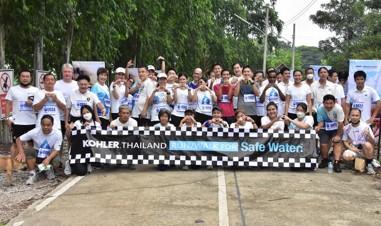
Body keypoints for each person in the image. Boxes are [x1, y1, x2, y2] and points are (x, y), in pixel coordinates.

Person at [5, 69, 39, 182]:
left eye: (27, 76)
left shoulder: (36, 90)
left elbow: (39, 105)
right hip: (17, 122)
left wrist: (33, 104)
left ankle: (31, 168)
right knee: (15, 144)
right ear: (20, 77)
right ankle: (12, 167)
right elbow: (8, 104)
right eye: (23, 76)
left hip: (32, 122)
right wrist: (8, 118)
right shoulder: (13, 90)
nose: (25, 78)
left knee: (31, 145)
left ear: (31, 78)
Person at [15, 115, 62, 185]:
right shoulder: (35, 131)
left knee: (57, 162)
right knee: (28, 150)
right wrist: (21, 152)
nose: (46, 127)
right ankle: (33, 174)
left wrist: (48, 159)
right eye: (44, 125)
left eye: (48, 125)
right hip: (38, 153)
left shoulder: (58, 133)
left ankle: (47, 169)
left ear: (52, 124)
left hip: (50, 154)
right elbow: (18, 139)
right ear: (41, 124)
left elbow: (57, 150)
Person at [66, 105, 101, 175]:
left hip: (91, 151)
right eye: (84, 113)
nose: (86, 114)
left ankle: (89, 163)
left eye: (87, 112)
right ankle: (69, 163)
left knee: (100, 165)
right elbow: (70, 137)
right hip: (78, 152)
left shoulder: (97, 124)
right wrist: (70, 129)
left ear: (91, 112)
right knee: (81, 172)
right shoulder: (77, 123)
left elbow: (100, 138)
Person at [315, 94, 345, 173]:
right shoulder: (320, 109)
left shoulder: (339, 108)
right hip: (324, 128)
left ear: (334, 102)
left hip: (336, 128)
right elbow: (321, 122)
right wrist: (318, 127)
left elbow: (341, 123)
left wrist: (338, 135)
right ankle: (325, 159)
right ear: (323, 103)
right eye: (326, 103)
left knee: (337, 142)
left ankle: (336, 162)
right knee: (323, 144)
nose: (328, 105)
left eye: (331, 103)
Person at [342, 108, 377, 174]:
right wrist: (351, 148)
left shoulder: (365, 126)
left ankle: (369, 164)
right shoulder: (346, 128)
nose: (354, 117)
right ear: (349, 116)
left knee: (367, 145)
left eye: (357, 115)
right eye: (353, 115)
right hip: (354, 149)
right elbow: (344, 141)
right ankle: (357, 161)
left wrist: (368, 135)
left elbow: (373, 142)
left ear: (360, 116)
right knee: (346, 155)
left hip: (364, 150)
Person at [54, 63, 79, 135]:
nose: (67, 74)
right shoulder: (56, 84)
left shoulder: (77, 84)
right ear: (62, 73)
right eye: (65, 71)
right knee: (59, 139)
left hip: (73, 117)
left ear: (72, 73)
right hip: (59, 117)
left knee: (73, 140)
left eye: (69, 72)